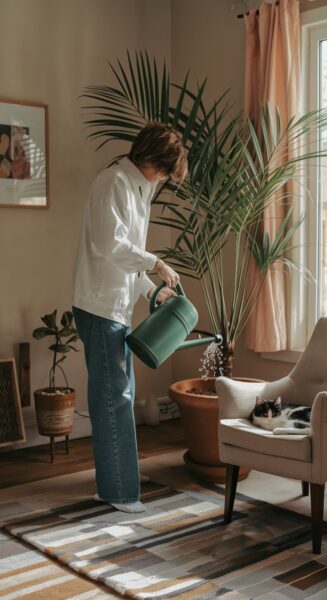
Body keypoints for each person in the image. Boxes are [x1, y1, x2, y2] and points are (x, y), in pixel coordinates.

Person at [72, 122, 187, 513]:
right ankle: (119, 491)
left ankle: (117, 484)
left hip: (114, 307)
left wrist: (154, 290)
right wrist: (156, 263)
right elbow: (110, 246)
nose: (166, 179)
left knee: (117, 397)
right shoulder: (114, 183)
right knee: (113, 400)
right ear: (151, 158)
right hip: (99, 308)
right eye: (166, 171)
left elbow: (127, 263)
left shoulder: (141, 189)